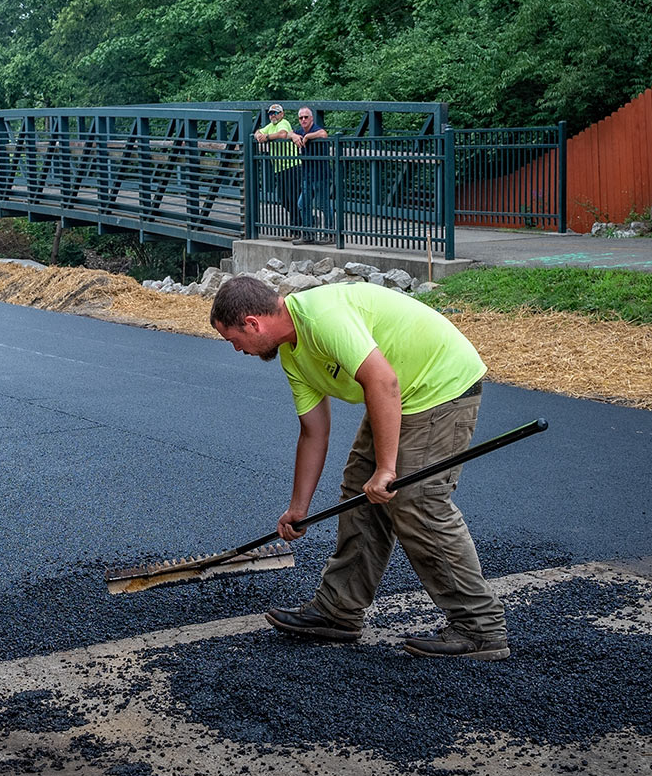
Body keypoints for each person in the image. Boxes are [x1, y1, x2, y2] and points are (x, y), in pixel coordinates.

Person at [210, 274, 509, 660]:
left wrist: (386, 469)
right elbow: (313, 432)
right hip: (401, 392)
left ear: (253, 323)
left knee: (415, 501)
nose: (237, 350)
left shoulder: (322, 318)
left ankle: (479, 628)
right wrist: (298, 508)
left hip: (439, 385)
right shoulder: (292, 353)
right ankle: (338, 611)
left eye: (234, 340)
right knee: (359, 494)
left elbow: (382, 381)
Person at [254, 103, 304, 228]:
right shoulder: (271, 126)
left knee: (292, 199)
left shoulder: (283, 123)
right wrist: (258, 135)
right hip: (280, 168)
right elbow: (258, 131)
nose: (273, 116)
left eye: (275, 113)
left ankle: (297, 228)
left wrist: (267, 137)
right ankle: (303, 222)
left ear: (282, 114)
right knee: (283, 199)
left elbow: (282, 134)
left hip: (292, 166)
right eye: (271, 113)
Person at [294, 105, 330, 231]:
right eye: (300, 118)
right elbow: (287, 134)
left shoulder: (316, 129)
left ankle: (331, 232)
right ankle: (309, 233)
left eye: (306, 117)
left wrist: (308, 136)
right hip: (307, 176)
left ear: (311, 118)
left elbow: (324, 134)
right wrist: (293, 136)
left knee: (323, 205)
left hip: (321, 175)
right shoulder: (299, 132)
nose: (303, 120)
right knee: (302, 204)